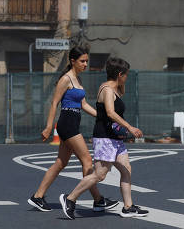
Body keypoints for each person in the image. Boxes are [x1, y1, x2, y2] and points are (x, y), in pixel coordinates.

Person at [28, 46, 118, 213]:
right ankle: (98, 200)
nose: (85, 64)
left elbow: (83, 105)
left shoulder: (78, 79)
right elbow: (54, 103)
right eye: (82, 61)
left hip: (72, 124)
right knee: (87, 161)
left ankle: (38, 196)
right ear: (72, 61)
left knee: (61, 163)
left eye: (86, 61)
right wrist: (49, 126)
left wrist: (102, 116)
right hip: (67, 125)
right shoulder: (66, 79)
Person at [59, 57, 148, 219]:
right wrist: (130, 127)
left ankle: (128, 207)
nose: (126, 77)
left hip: (115, 138)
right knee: (100, 174)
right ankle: (70, 198)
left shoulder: (115, 88)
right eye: (125, 75)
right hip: (104, 138)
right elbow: (110, 113)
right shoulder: (106, 89)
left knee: (126, 169)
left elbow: (122, 91)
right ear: (120, 74)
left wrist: (120, 81)